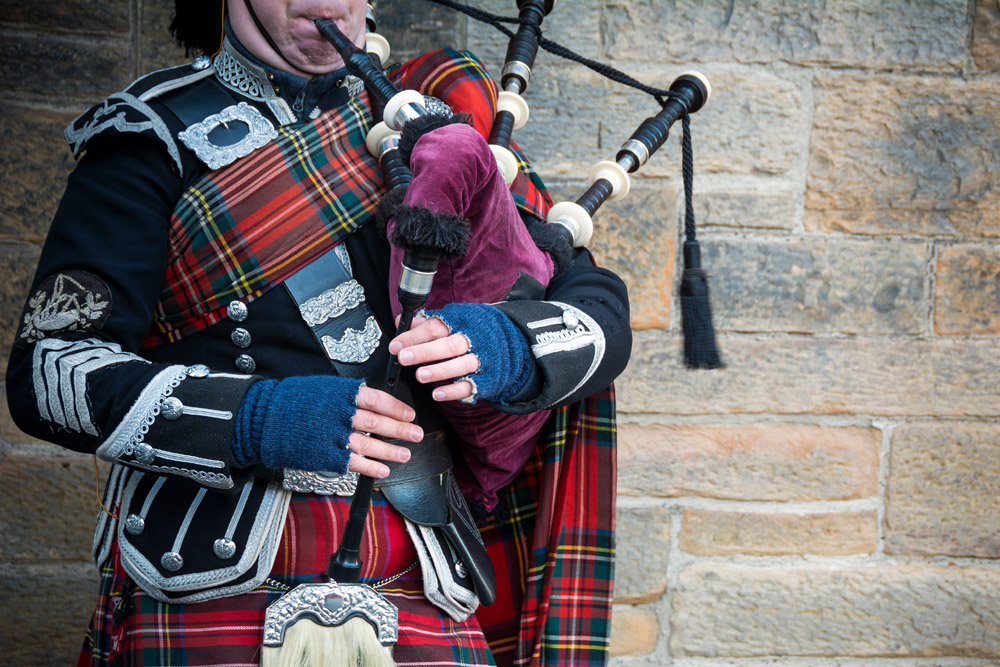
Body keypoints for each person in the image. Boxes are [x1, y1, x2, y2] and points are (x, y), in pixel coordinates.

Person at [5, 1, 631, 665]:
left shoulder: (437, 118)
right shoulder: (151, 133)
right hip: (209, 578)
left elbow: (597, 309)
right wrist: (258, 417)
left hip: (422, 577)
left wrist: (511, 344)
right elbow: (49, 373)